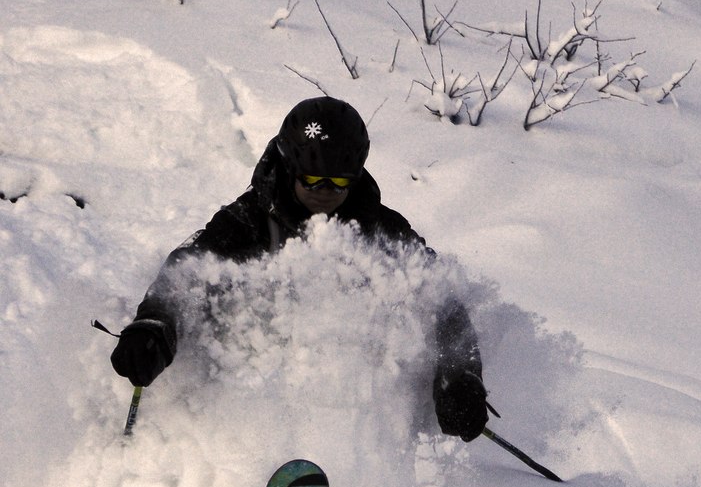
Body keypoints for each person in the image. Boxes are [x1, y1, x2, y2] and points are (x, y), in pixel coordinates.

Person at [111, 97, 491, 442]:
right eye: (312, 180)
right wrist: (154, 326)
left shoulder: (382, 229)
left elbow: (442, 301)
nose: (325, 191)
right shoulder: (247, 220)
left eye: (338, 182)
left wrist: (460, 375)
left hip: (346, 396)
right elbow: (187, 271)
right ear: (289, 167)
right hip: (248, 386)